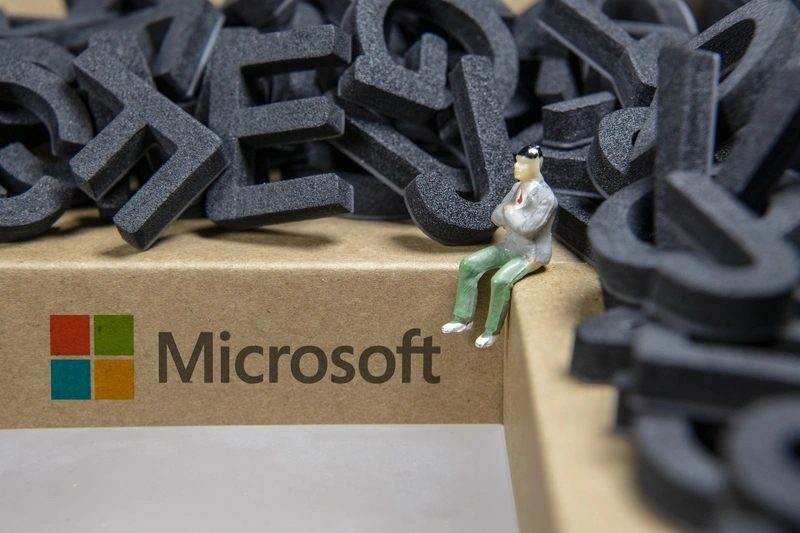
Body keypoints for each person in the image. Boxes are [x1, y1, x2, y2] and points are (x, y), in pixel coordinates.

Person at [442, 144, 558, 348]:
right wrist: (511, 213)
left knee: (500, 281)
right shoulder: (516, 188)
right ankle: (463, 318)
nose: (517, 167)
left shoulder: (547, 198)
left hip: (530, 254)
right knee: (469, 264)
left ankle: (491, 331)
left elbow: (528, 229)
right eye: (517, 162)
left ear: (537, 165)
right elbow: (495, 216)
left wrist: (510, 211)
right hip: (509, 245)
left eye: (523, 164)